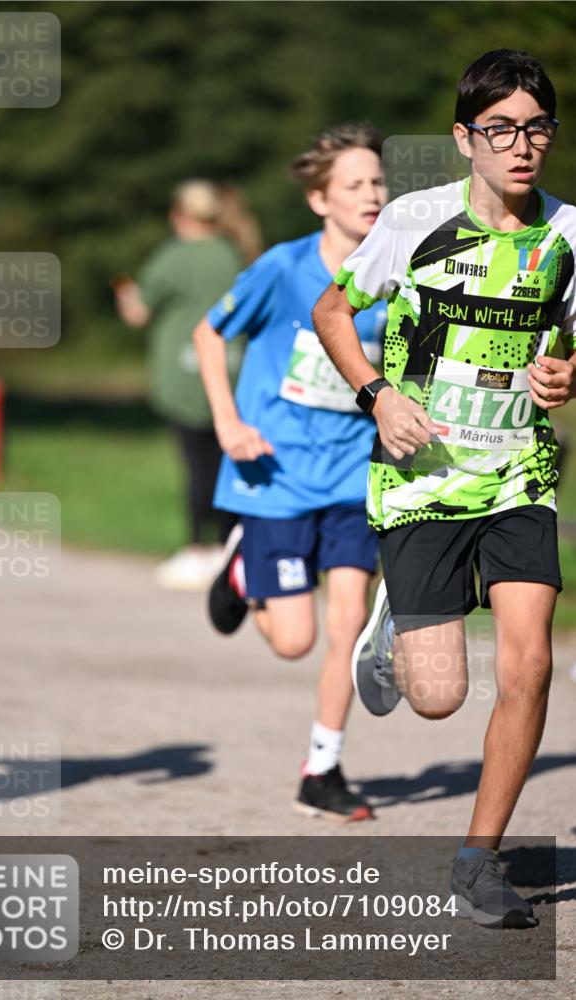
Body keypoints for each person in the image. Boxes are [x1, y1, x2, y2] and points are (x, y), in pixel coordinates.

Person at [313, 50, 575, 925]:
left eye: (535, 126)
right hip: (421, 480)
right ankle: (395, 621)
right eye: (500, 129)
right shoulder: (414, 220)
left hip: (517, 474)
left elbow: (571, 343)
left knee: (530, 661)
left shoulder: (568, 235)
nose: (521, 144)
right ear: (465, 139)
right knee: (437, 698)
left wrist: (565, 377)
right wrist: (376, 396)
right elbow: (331, 312)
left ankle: (478, 859)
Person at [193, 124, 389, 821]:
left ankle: (322, 767)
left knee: (347, 627)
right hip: (272, 473)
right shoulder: (283, 267)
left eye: (377, 182)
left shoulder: (393, 278)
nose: (371, 194)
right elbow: (208, 333)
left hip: (349, 478)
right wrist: (225, 422)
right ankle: (245, 569)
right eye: (354, 185)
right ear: (318, 199)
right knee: (293, 641)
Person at [114, 180, 263, 589]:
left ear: (180, 214)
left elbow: (139, 313)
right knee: (226, 461)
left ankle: (199, 549)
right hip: (233, 371)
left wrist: (127, 297)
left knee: (197, 466)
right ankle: (231, 546)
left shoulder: (173, 257)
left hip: (184, 376)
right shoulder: (235, 253)